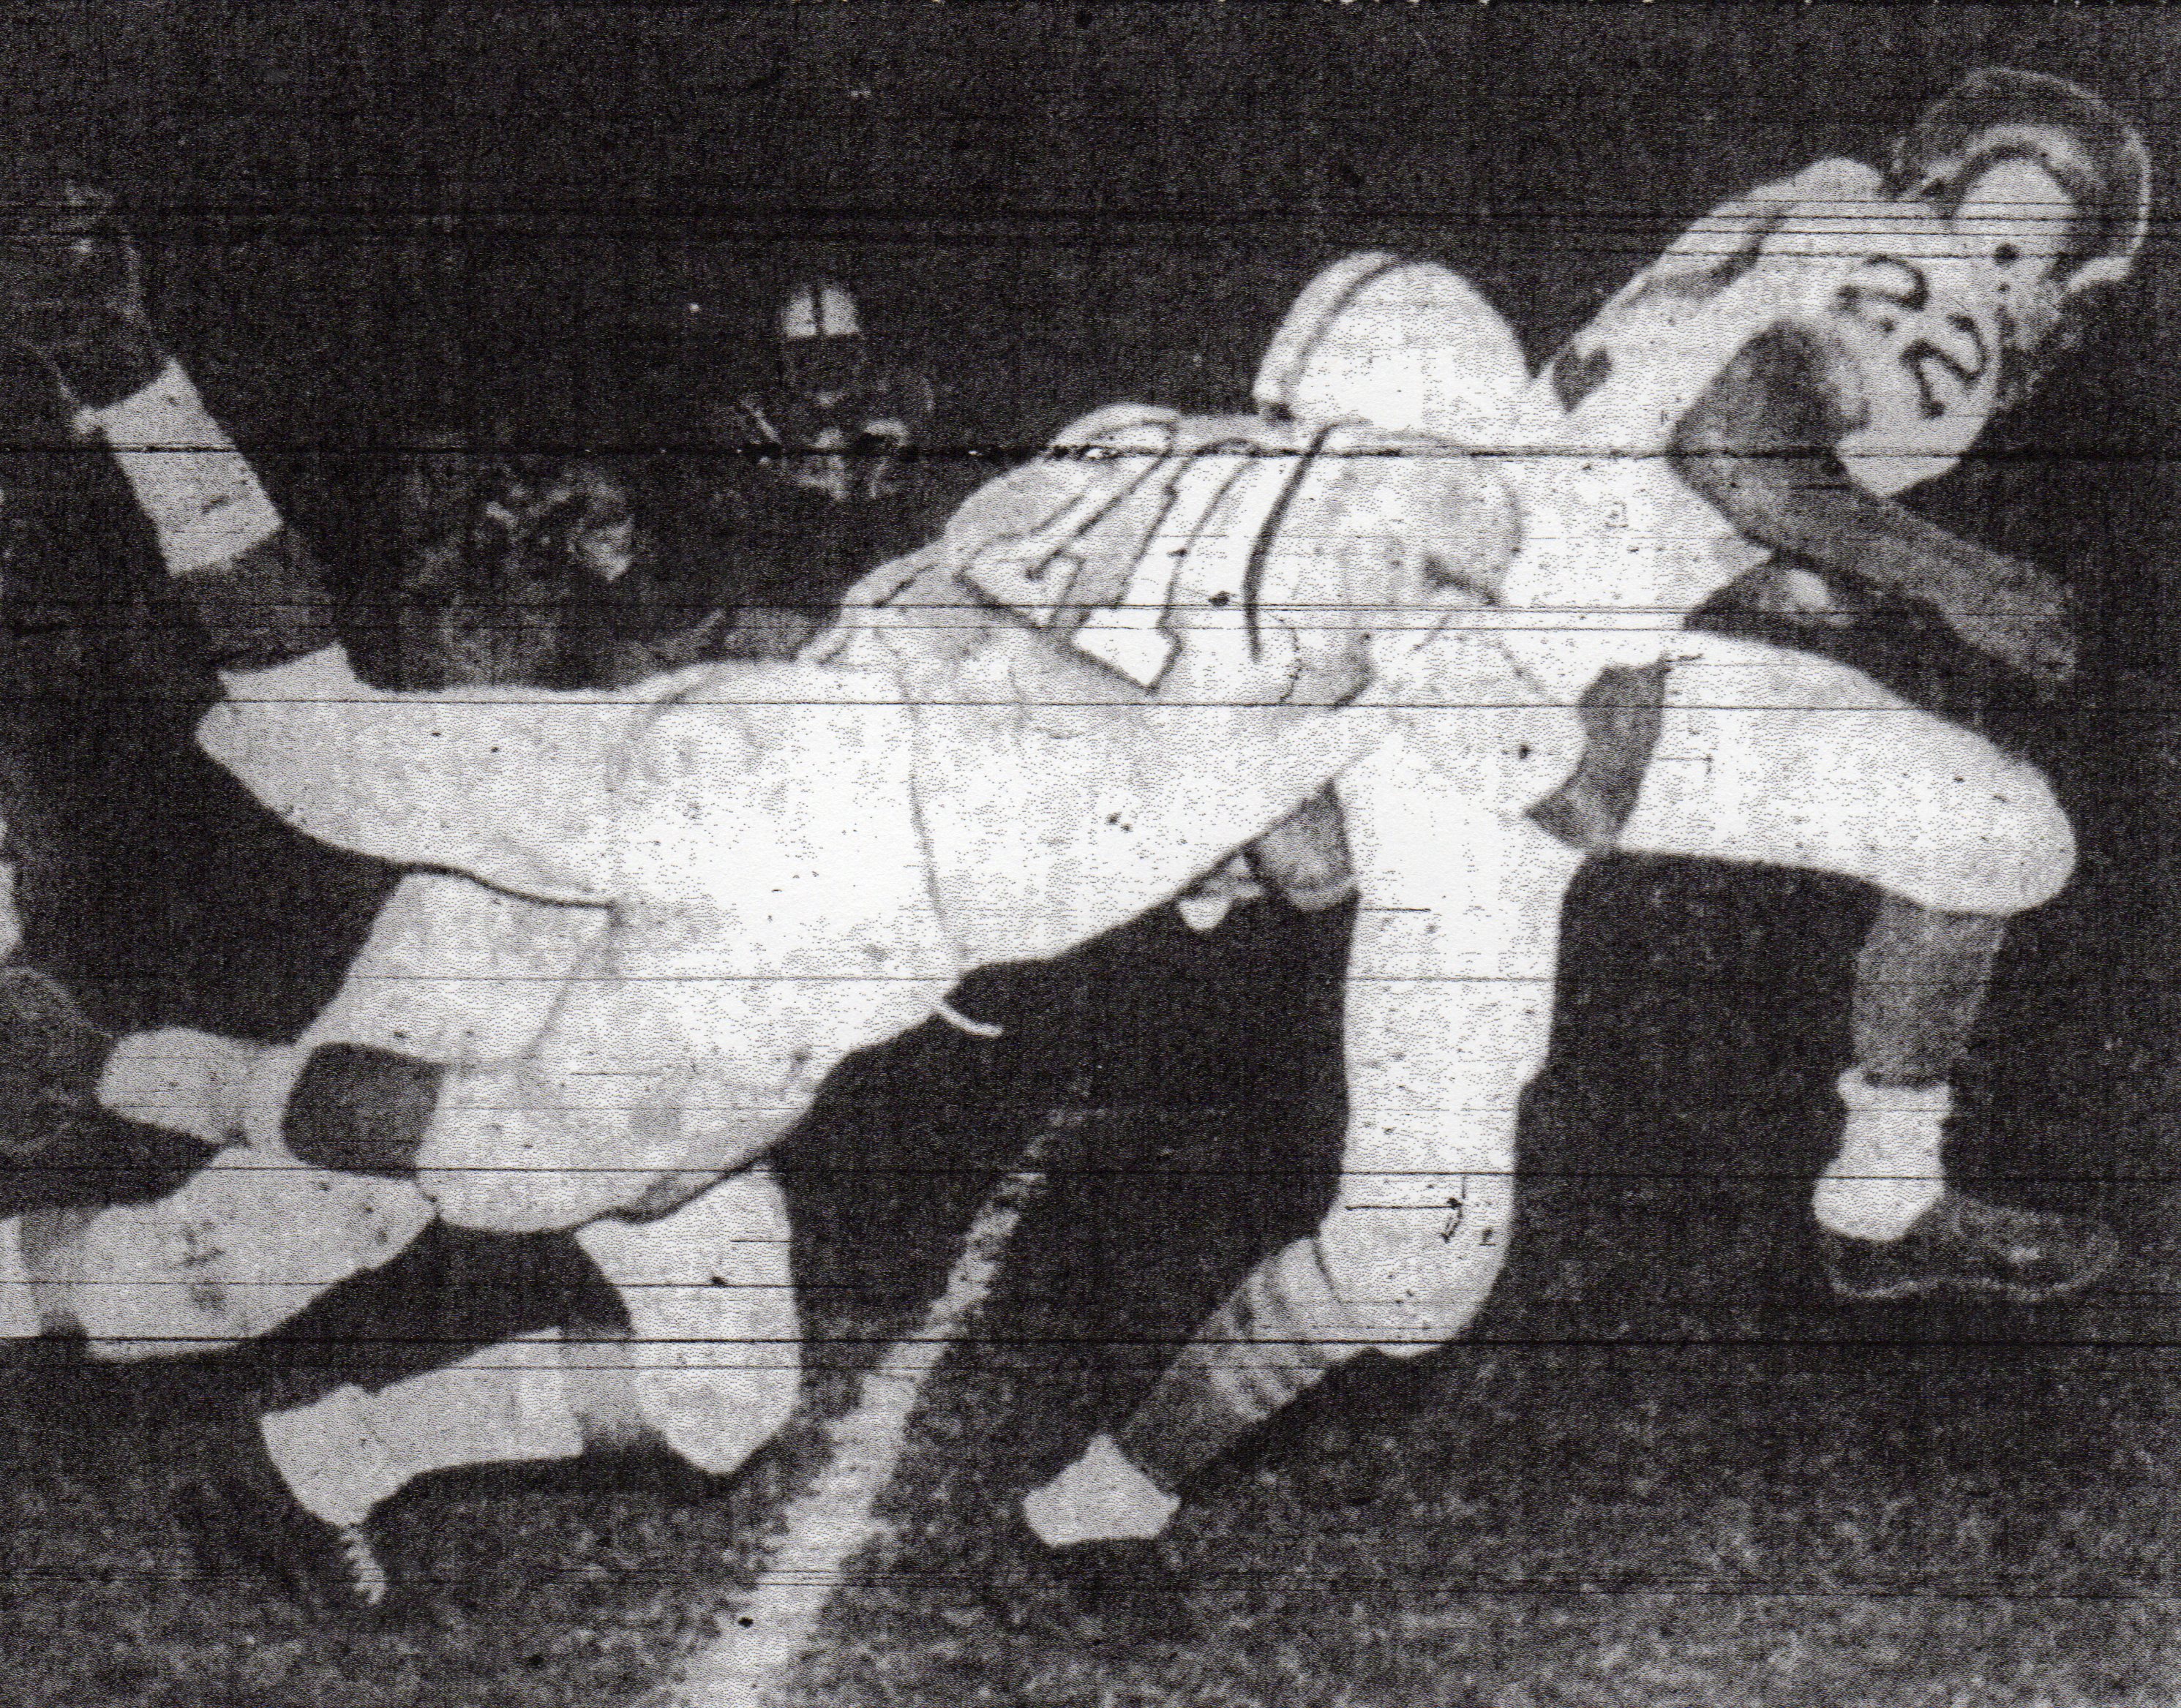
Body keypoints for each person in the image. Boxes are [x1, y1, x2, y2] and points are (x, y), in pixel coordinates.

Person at [0, 117, 2075, 1617]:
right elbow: (1497, 714)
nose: (825, 413)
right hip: (805, 908)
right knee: (337, 1230)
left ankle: (312, 1456)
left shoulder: (1097, 437)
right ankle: (102, 1072)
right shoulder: (1422, 610)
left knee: (707, 1380)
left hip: (722, 773)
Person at [1018, 66, 2138, 1567]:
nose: (2031, 282)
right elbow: (1735, 442)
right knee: (1415, 1259)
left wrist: (1780, 570)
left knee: (1994, 828)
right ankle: (1111, 1492)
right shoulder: (1949, 316)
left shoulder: (1812, 199)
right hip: (1487, 715)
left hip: (1565, 647)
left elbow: (1671, 450)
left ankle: (1881, 1201)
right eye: (2044, 251)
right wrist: (1956, 575)